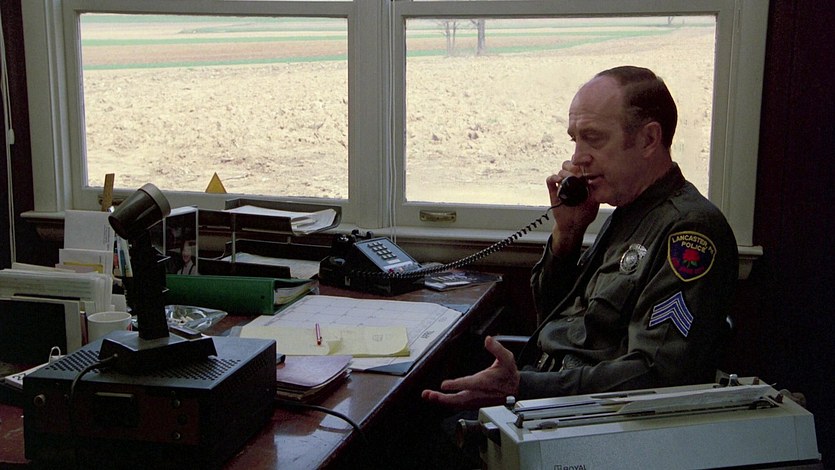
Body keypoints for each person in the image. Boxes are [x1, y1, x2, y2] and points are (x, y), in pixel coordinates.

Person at [422, 65, 738, 410]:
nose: (577, 158)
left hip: (588, 418)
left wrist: (523, 387)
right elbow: (555, 319)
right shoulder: (627, 212)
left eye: (594, 138)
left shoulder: (688, 231)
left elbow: (656, 373)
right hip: (551, 392)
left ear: (648, 139)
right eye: (576, 140)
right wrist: (568, 233)